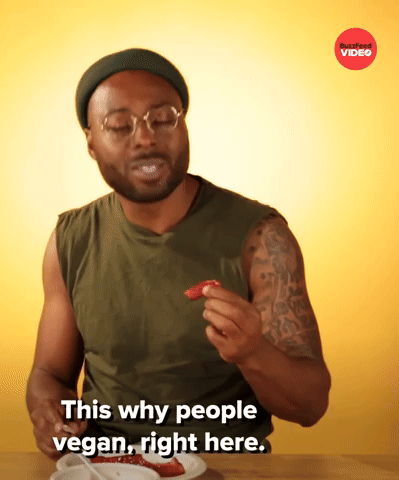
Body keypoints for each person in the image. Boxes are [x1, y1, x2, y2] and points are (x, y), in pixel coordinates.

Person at [26, 48, 331, 460]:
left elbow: (310, 406)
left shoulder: (262, 238)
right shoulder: (70, 239)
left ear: (184, 124)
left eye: (163, 118)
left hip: (224, 466)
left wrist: (254, 352)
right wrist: (48, 411)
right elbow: (49, 373)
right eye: (119, 125)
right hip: (107, 466)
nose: (145, 138)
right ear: (91, 144)